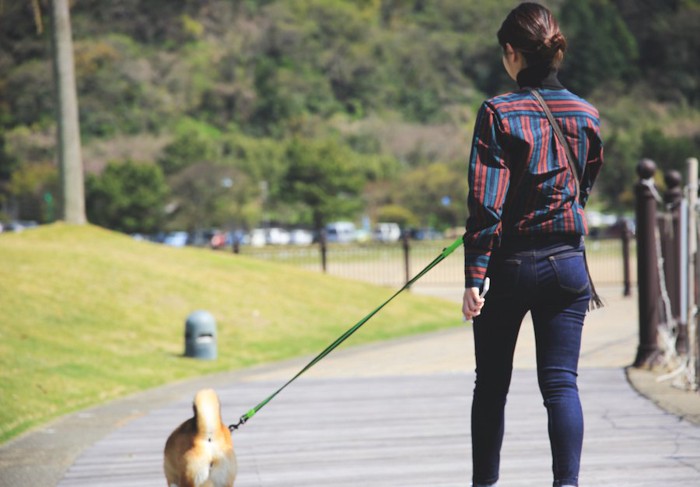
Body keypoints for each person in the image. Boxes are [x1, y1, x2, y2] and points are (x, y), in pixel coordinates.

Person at [461, 3, 603, 487]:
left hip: (512, 264)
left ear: (512, 53)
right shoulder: (587, 113)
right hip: (568, 265)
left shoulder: (498, 113)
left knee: (492, 386)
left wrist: (474, 276)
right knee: (562, 385)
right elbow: (582, 185)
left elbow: (485, 204)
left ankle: (485, 484)